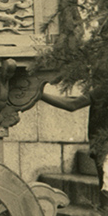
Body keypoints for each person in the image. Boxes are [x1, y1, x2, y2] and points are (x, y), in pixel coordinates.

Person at [41, 83, 108, 213]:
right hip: (102, 147)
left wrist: (39, 95)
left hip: (105, 148)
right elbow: (74, 100)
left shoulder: (104, 88)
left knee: (105, 201)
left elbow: (72, 104)